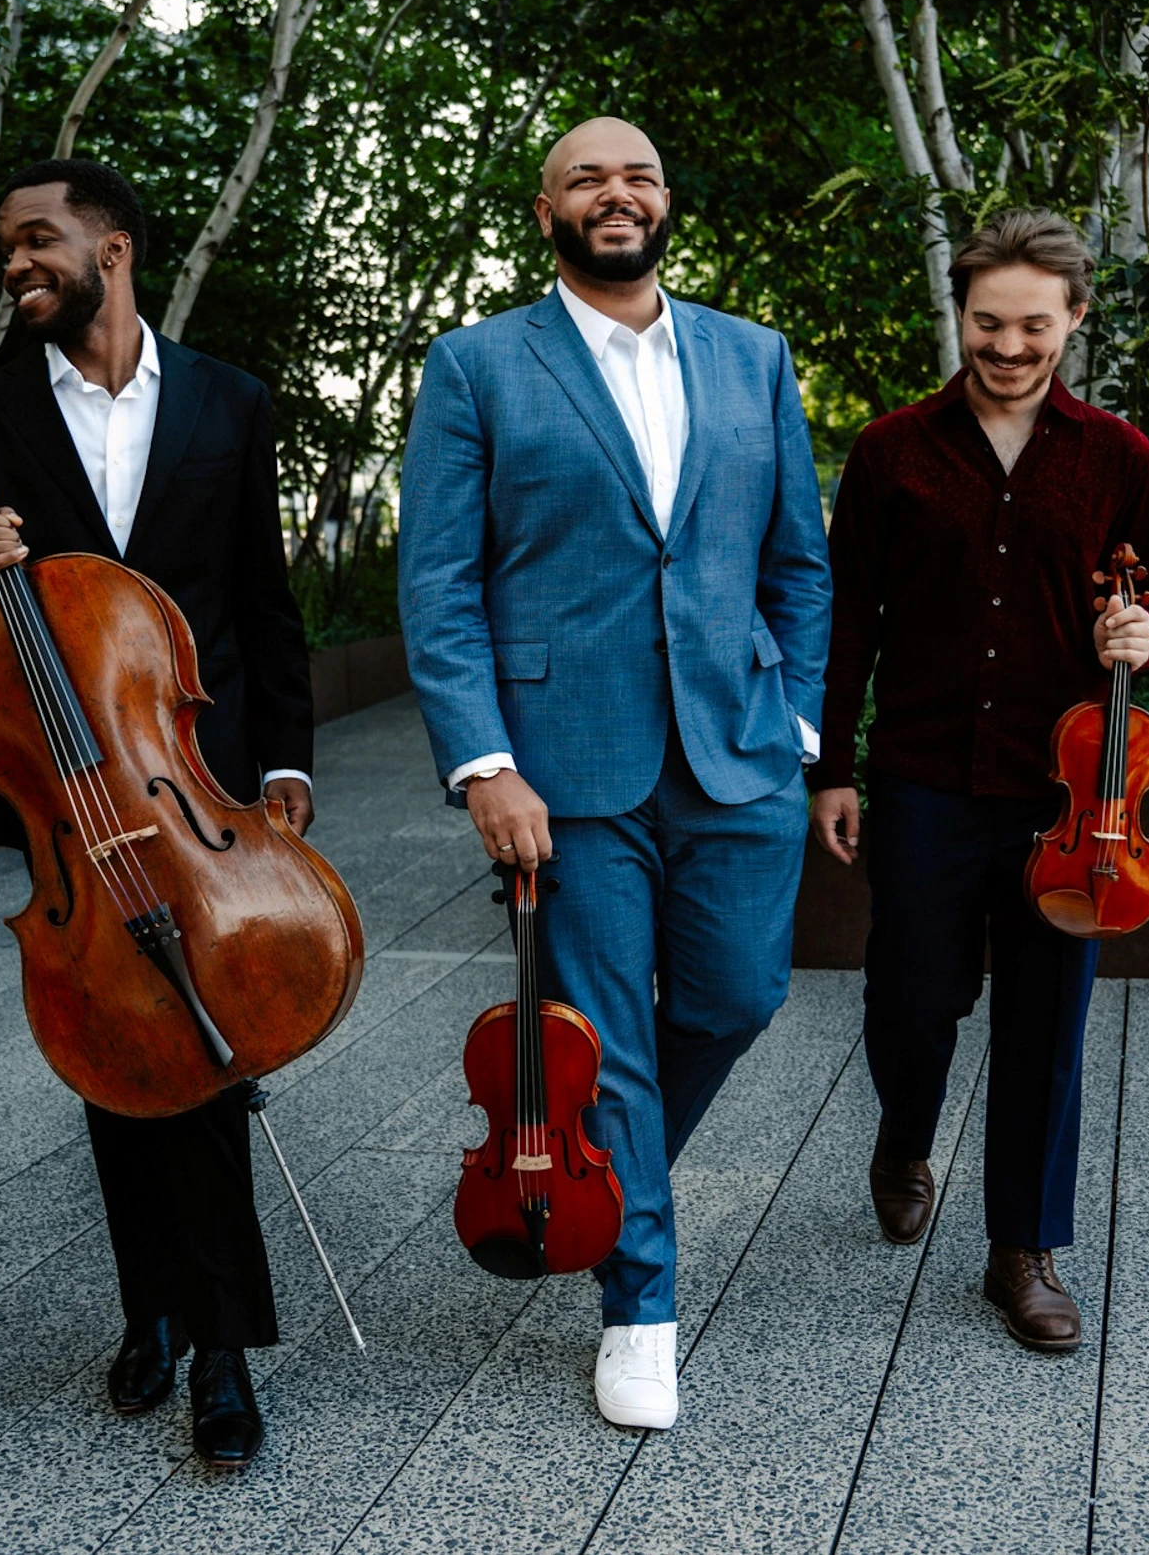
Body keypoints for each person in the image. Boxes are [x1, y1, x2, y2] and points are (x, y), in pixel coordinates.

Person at [399, 116, 832, 1431]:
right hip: (563, 768)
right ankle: (640, 1302)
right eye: (587, 176)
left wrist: (799, 729)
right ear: (548, 211)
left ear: (664, 198)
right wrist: (484, 763)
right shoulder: (477, 366)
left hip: (739, 754)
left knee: (739, 994)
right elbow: (441, 581)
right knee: (610, 1036)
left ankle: (602, 1164)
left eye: (639, 171)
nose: (618, 192)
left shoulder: (752, 357)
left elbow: (798, 562)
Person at [0, 158, 314, 1472]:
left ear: (116, 245)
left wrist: (287, 767)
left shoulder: (228, 398)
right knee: (114, 1055)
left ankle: (216, 1343)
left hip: (195, 780)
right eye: (5, 249)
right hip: (71, 798)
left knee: (205, 1056)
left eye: (38, 238)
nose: (17, 263)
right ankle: (150, 1304)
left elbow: (263, 604)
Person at [809, 208, 1149, 1353]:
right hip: (920, 774)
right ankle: (903, 1133)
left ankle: (1023, 1247)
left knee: (1044, 1021)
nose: (1007, 347)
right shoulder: (891, 451)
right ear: (957, 314)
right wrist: (833, 765)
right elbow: (847, 619)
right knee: (908, 1002)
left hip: (1069, 795)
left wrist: (1139, 631)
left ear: (1071, 318)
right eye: (985, 323)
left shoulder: (1118, 455)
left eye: (1032, 325)